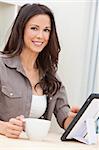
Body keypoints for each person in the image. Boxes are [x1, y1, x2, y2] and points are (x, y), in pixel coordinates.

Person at [0, 3, 79, 139]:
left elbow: (64, 116)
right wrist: (3, 127)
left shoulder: (50, 73)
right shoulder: (2, 66)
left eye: (46, 30)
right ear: (21, 29)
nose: (40, 36)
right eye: (34, 28)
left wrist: (76, 119)